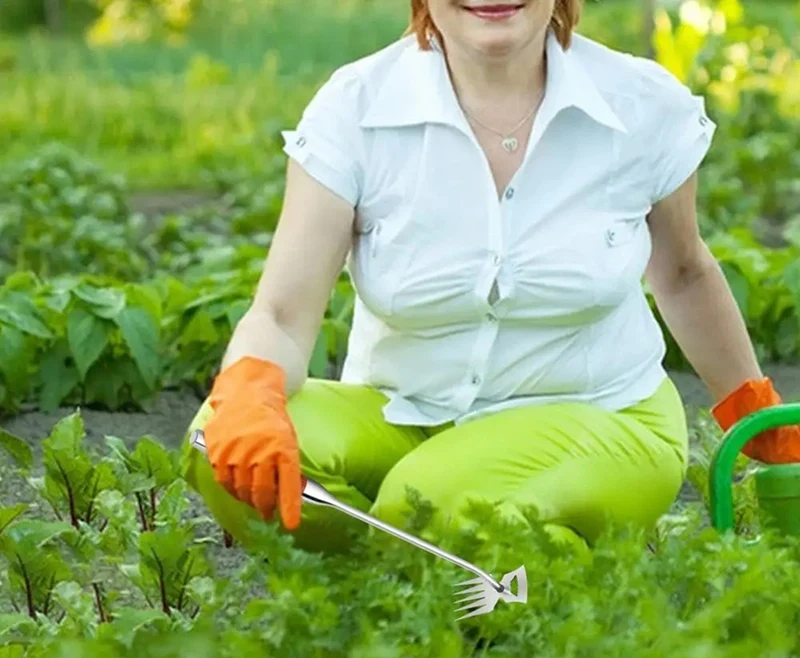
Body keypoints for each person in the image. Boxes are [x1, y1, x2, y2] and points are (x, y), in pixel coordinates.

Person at [180, 0, 799, 556]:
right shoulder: (356, 108)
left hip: (601, 418)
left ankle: (425, 570)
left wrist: (753, 407)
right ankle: (484, 571)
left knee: (427, 501)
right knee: (219, 446)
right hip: (405, 415)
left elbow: (684, 272)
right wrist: (252, 386)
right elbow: (282, 314)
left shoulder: (638, 105)